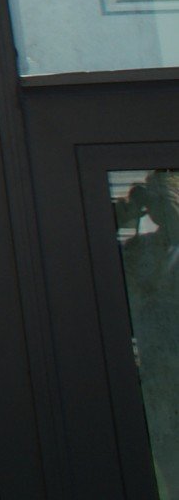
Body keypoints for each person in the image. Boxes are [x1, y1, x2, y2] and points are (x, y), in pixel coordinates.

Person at [119, 171, 179, 494]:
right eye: (154, 201)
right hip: (161, 382)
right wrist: (123, 217)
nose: (160, 210)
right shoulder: (139, 249)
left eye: (165, 199)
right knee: (172, 470)